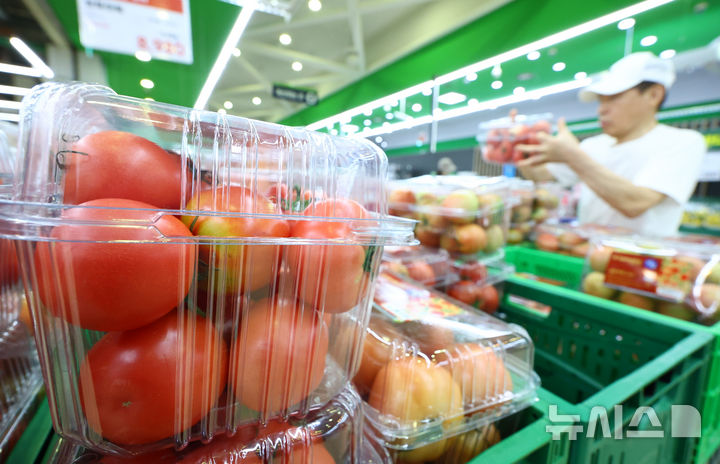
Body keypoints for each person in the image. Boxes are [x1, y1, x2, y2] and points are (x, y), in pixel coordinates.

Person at [518, 52, 707, 236]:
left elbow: (635, 204)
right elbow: (540, 175)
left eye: (614, 97)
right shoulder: (593, 145)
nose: (601, 110)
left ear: (653, 95)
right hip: (588, 252)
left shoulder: (682, 142)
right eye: (601, 101)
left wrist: (573, 156)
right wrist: (519, 148)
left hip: (642, 255)